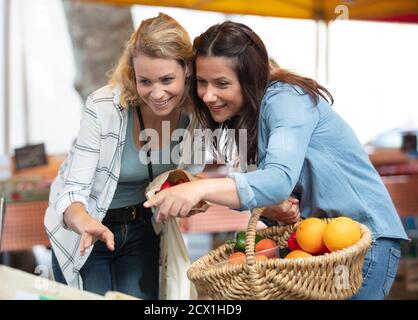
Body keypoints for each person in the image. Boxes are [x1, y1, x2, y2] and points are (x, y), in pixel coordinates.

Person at [144, 21, 409, 299]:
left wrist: (201, 188)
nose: (208, 95)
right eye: (202, 82)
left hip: (362, 246)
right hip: (317, 249)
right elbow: (266, 188)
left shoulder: (286, 98)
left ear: (250, 79)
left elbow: (278, 179)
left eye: (222, 83)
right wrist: (269, 207)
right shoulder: (244, 116)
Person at [44, 13, 194, 299]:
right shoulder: (104, 107)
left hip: (141, 228)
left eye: (167, 79)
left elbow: (190, 175)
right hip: (85, 231)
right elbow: (71, 191)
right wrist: (84, 222)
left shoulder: (192, 115)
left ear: (186, 70)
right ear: (132, 74)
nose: (157, 93)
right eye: (145, 81)